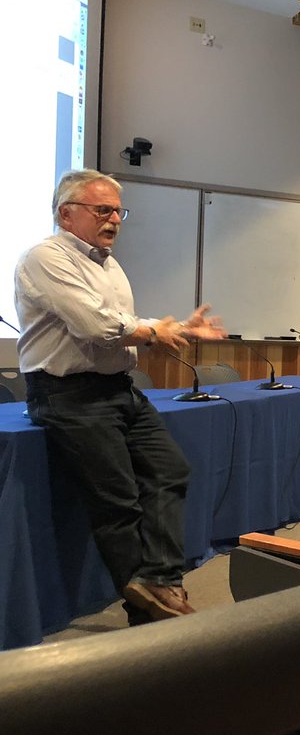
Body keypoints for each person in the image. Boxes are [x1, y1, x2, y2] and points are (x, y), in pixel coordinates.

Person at [15, 169, 228, 624]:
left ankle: (162, 581)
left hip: (117, 390)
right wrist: (153, 331)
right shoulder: (44, 257)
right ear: (65, 214)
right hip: (67, 393)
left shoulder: (108, 264)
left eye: (118, 210)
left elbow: (118, 321)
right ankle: (150, 615)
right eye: (102, 209)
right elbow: (95, 326)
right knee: (118, 501)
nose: (114, 219)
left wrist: (178, 329)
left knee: (171, 470)